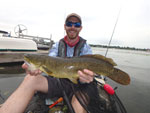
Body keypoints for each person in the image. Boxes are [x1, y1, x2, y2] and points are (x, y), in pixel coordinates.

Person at [0, 13, 95, 113]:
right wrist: (34, 69)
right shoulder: (57, 45)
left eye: (76, 25)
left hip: (80, 86)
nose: (72, 27)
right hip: (60, 82)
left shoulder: (86, 48)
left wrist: (87, 78)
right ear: (65, 26)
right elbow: (50, 59)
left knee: (79, 107)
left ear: (80, 28)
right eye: (69, 24)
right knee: (30, 79)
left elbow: (89, 72)